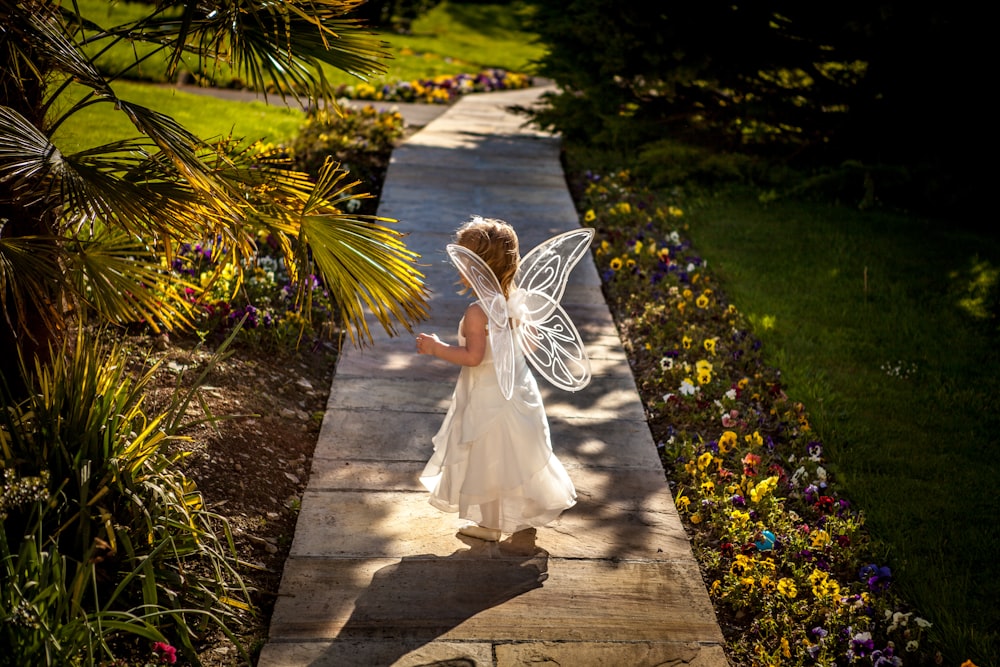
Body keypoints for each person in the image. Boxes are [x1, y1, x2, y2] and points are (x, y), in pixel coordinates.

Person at [415, 217, 578, 542]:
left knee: (489, 458)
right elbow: (530, 344)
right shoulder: (517, 303)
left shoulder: (478, 312)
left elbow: (473, 358)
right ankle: (527, 510)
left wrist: (436, 348)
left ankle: (491, 525)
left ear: (479, 267)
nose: (458, 268)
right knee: (518, 453)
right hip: (519, 391)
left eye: (464, 261)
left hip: (488, 396)